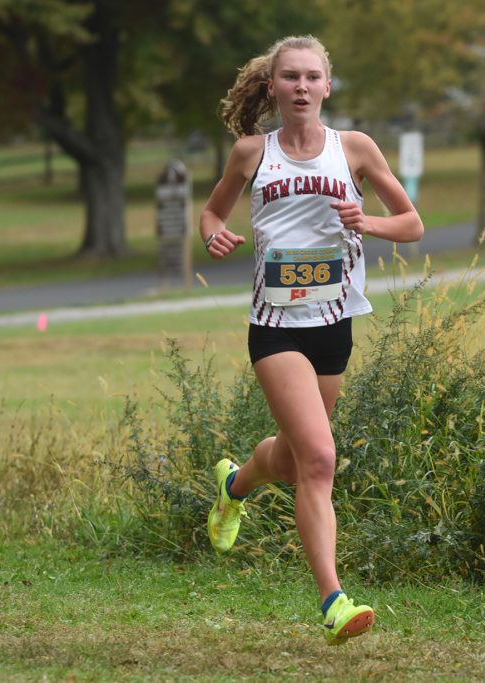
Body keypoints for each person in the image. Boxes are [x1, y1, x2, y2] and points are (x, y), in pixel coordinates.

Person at [201, 36, 424, 645]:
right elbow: (212, 212)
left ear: (328, 86)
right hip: (275, 328)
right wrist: (214, 234)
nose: (301, 87)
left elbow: (411, 223)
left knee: (298, 457)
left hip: (334, 323)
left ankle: (234, 485)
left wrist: (367, 221)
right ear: (272, 86)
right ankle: (334, 601)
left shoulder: (355, 149)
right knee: (320, 461)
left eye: (312, 77)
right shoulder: (252, 153)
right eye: (290, 77)